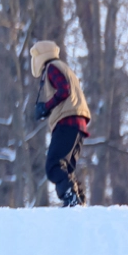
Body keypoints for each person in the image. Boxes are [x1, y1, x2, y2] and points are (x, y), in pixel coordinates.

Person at [31, 39, 91, 207]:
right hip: (78, 123)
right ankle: (78, 199)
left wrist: (46, 107)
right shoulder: (66, 69)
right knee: (66, 168)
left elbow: (64, 90)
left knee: (53, 166)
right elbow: (70, 94)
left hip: (66, 122)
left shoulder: (52, 67)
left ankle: (71, 198)